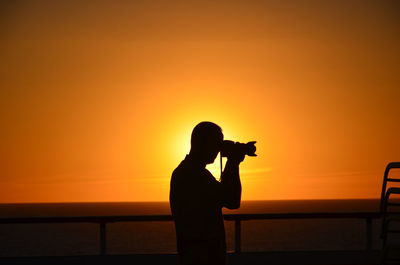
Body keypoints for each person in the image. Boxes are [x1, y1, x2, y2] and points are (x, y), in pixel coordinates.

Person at [169, 121, 245, 265]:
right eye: (216, 144)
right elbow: (232, 200)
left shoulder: (187, 172)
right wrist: (233, 163)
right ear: (204, 144)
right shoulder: (195, 175)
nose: (218, 150)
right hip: (202, 257)